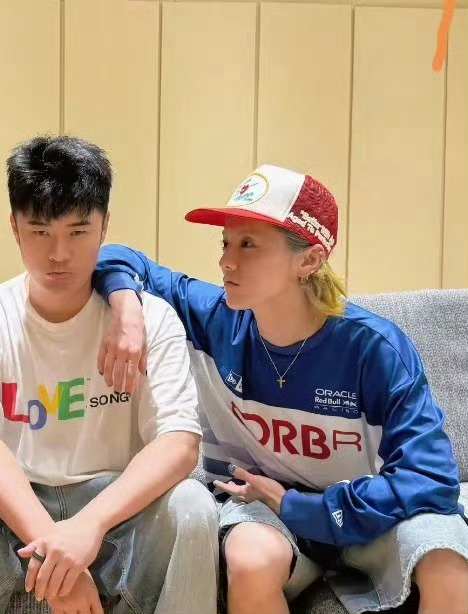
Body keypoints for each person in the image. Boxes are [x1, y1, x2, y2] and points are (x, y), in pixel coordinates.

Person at [93, 163, 468, 614]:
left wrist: (300, 506)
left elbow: (430, 480)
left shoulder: (374, 348)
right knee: (250, 558)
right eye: (226, 243)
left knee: (446, 560)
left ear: (308, 260)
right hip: (263, 512)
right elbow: (113, 256)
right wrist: (125, 308)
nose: (226, 261)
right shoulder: (214, 318)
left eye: (248, 244)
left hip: (365, 514)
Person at [0, 135, 218, 614]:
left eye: (78, 232)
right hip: (13, 514)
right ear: (14, 227)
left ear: (105, 227)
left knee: (193, 506)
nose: (58, 253)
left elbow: (179, 444)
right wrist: (54, 548)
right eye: (40, 231)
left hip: (118, 512)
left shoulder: (148, 319)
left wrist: (88, 527)